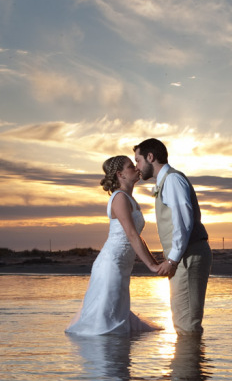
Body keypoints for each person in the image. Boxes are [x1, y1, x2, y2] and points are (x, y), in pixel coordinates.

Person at [65, 155, 163, 336]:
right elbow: (132, 235)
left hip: (123, 265)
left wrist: (155, 261)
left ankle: (114, 359)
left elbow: (138, 238)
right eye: (130, 166)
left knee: (116, 314)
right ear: (120, 174)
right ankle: (108, 362)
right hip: (111, 264)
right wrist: (152, 266)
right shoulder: (119, 198)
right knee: (106, 322)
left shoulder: (130, 199)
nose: (136, 167)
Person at [133, 138, 212, 336]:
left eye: (138, 161)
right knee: (184, 320)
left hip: (187, 256)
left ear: (150, 157)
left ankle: (189, 365)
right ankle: (191, 364)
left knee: (187, 323)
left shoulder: (173, 180)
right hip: (184, 257)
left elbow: (182, 222)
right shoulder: (167, 181)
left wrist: (172, 259)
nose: (137, 167)